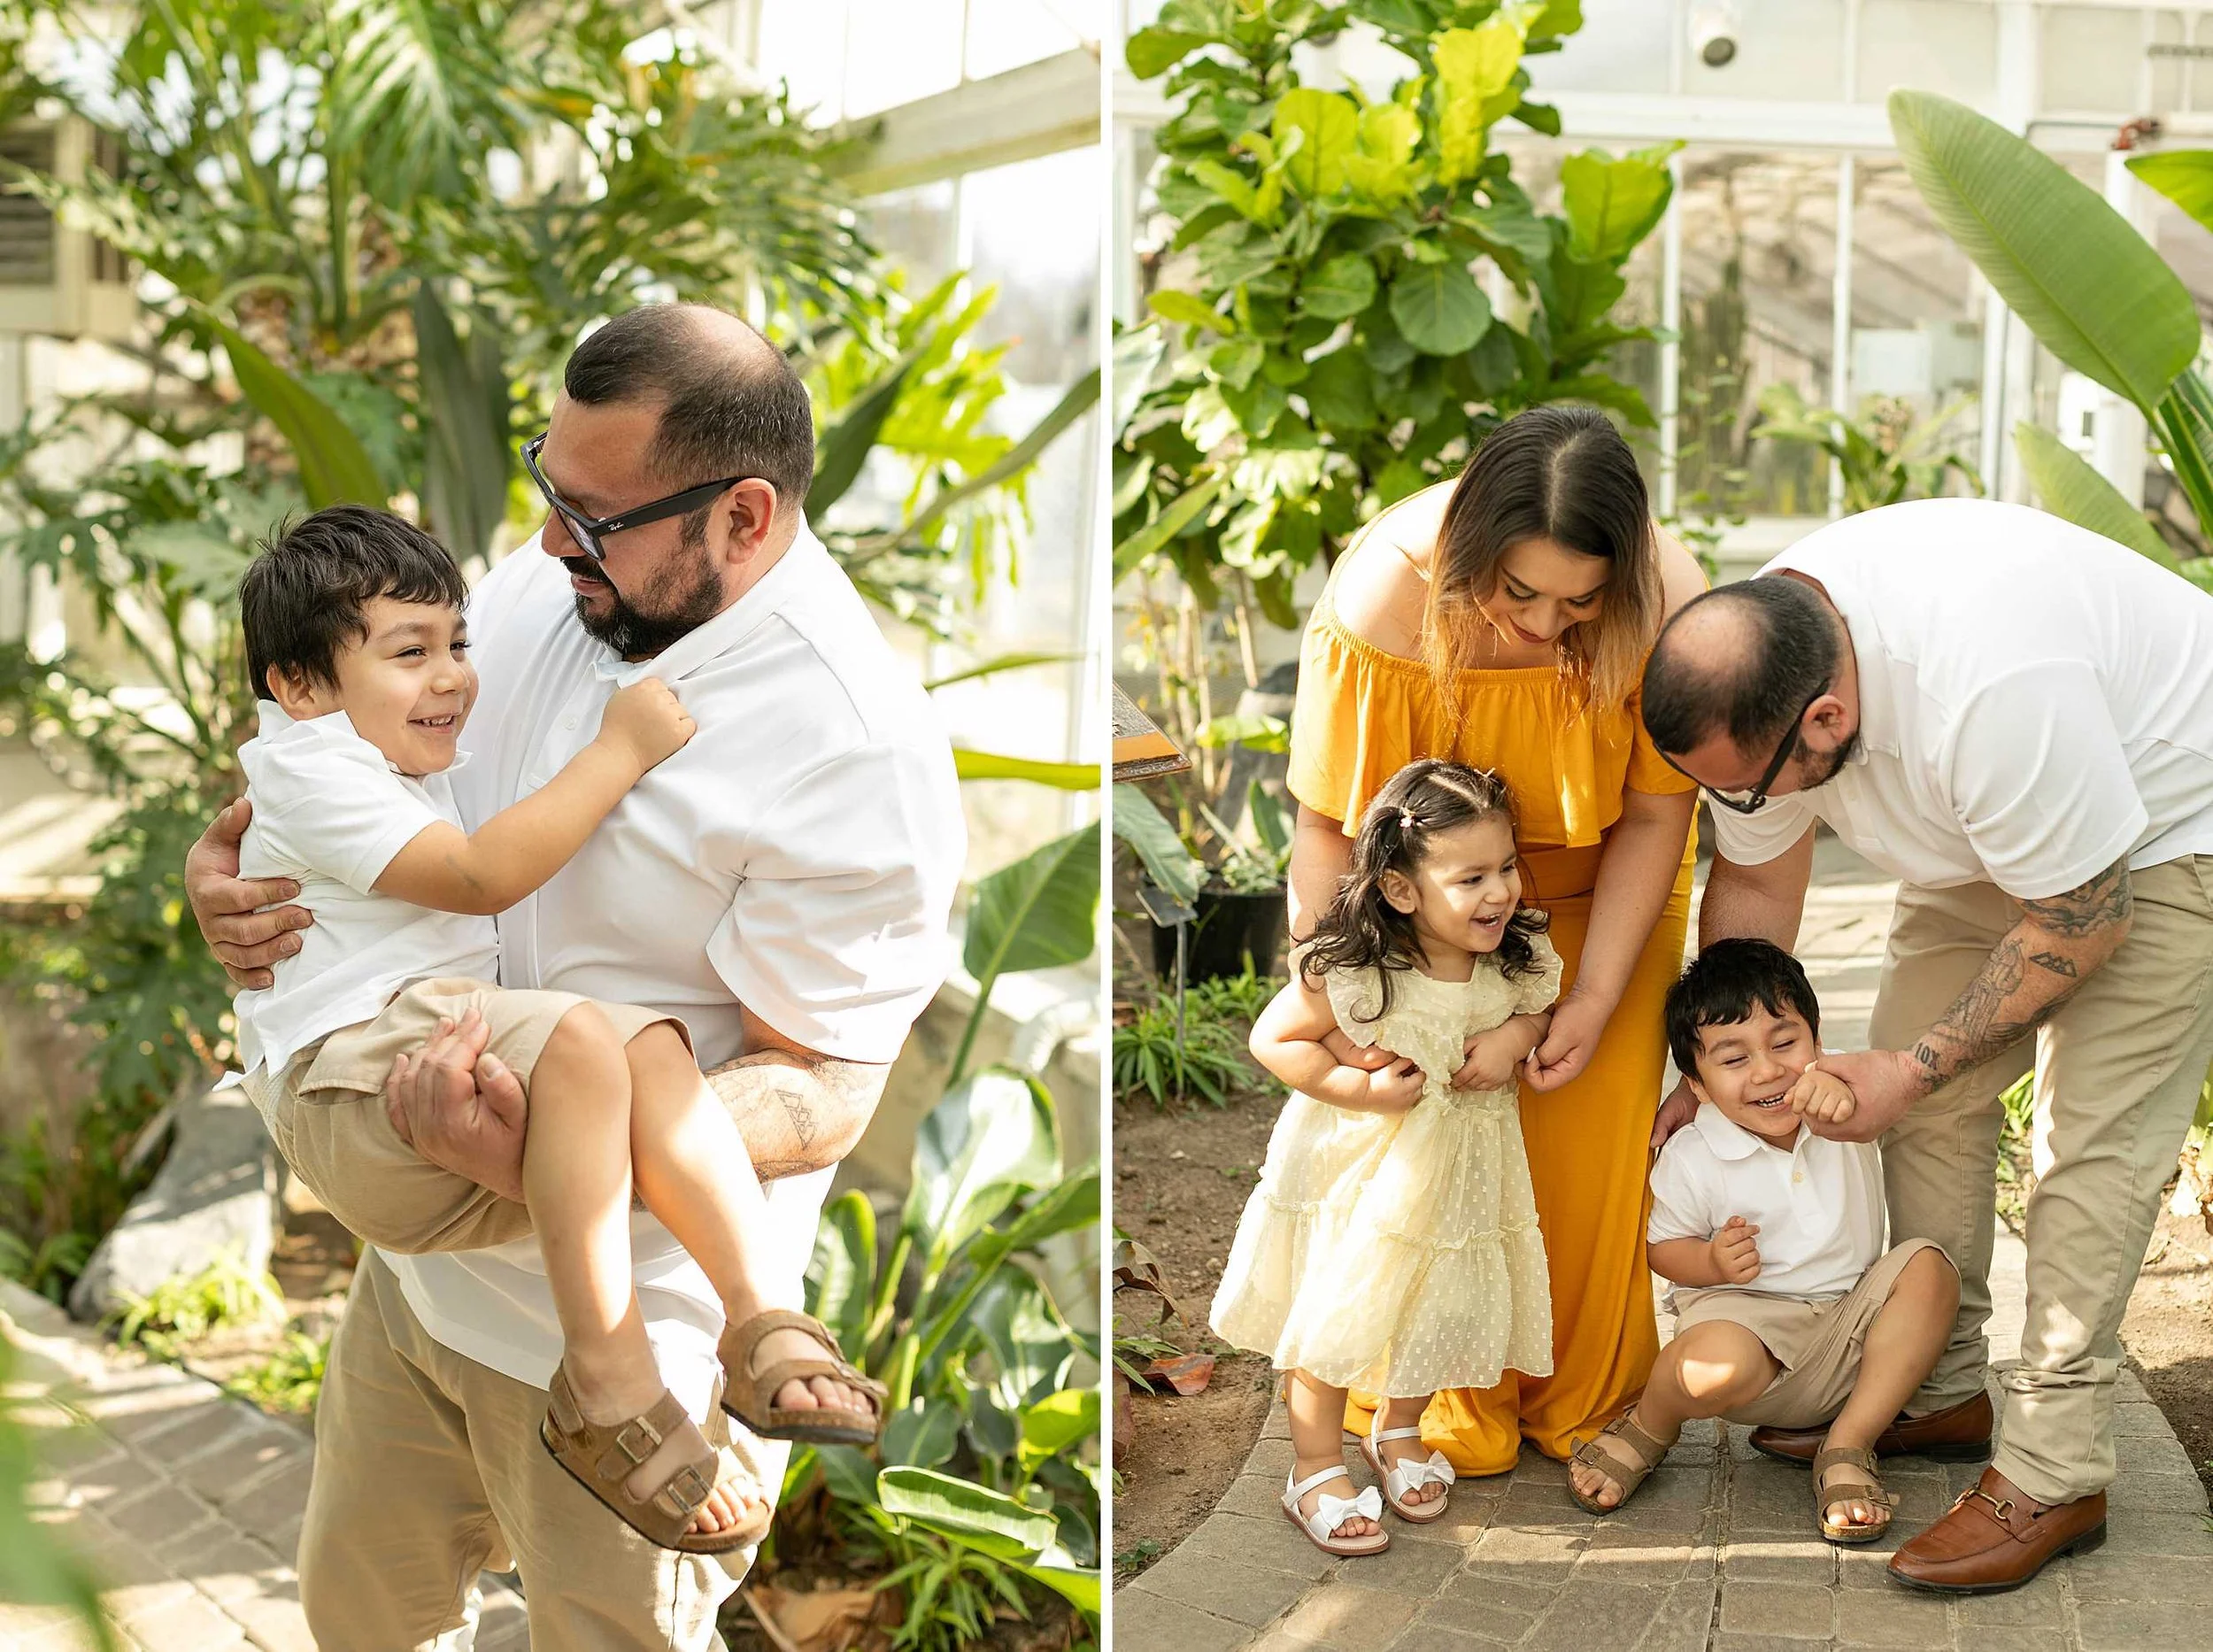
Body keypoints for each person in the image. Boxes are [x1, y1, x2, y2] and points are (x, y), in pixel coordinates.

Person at [184, 305, 965, 1649]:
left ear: (743, 515)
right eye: (554, 486)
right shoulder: (551, 584)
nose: (551, 541)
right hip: (418, 1284)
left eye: (593, 517)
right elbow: (374, 779)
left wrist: (541, 1146)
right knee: (361, 1621)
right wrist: (236, 878)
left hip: (632, 1348)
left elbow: (827, 1082)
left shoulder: (853, 745)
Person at [229, 505, 887, 1555]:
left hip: (426, 1069)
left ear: (739, 511)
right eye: (413, 653)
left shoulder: (849, 712)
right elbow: (481, 874)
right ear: (299, 687)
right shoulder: (317, 762)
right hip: (357, 1076)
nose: (451, 676)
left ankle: (759, 1318)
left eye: (455, 645)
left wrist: (517, 1158)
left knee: (646, 1044)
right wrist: (619, 751)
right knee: (590, 1037)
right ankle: (608, 1372)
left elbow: (832, 1084)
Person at [1640, 495, 2213, 1593]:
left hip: (2160, 834)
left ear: (1824, 718)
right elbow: (1757, 874)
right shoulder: (1762, 659)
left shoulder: (1989, 690)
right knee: (1904, 1115)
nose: (1735, 808)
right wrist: (1706, 1076)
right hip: (1990, 837)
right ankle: (1945, 1391)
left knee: (2081, 1155)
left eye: (1744, 787)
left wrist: (1910, 1065)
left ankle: (2053, 1472)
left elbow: (2076, 920)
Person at [1285, 405, 1706, 1473]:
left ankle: (1580, 1395)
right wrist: (1343, 1006)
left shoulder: (1670, 595)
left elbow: (1658, 815)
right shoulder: (1388, 593)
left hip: (1609, 893)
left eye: (1579, 602)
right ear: (1470, 550)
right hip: (1430, 915)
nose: (1542, 622)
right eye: (1516, 592)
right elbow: (1333, 827)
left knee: (1581, 1158)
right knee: (1431, 1156)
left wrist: (1594, 997)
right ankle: (1417, 1401)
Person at [1216, 760, 1562, 1556]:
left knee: (1438, 1305)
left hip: (1463, 1178)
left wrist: (1513, 1038)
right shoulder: (1362, 970)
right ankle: (1311, 1468)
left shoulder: (1511, 960)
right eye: (1471, 876)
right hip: (1364, 1177)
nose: (1501, 891)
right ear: (1403, 889)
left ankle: (1399, 1433)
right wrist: (1357, 1087)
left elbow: (1539, 1015)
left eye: (1506, 867)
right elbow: (1273, 1040)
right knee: (1340, 1314)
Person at [1568, 938, 1961, 1545]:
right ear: (1695, 1085)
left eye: (1785, 1042)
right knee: (1705, 1368)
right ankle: (1650, 1425)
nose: (1767, 1070)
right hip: (1748, 1333)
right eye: (1733, 1059)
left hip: (1851, 1328)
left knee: (1930, 1268)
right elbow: (1661, 1249)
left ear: (1817, 1040)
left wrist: (1847, 1093)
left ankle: (1848, 1447)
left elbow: (1876, 1082)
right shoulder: (1695, 1153)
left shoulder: (1844, 1110)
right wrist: (1710, 1259)